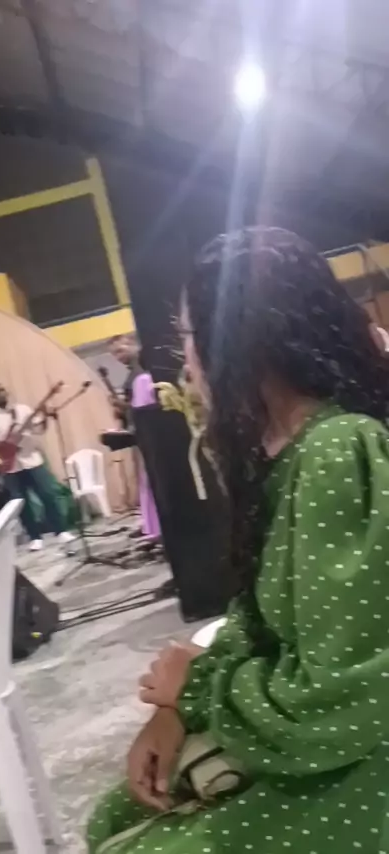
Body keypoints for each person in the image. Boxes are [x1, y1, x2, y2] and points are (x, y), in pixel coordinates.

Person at [88, 227, 389, 854]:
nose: (185, 365)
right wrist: (177, 710)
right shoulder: (288, 455)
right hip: (318, 739)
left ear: (239, 340)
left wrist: (197, 688)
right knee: (114, 815)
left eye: (188, 337)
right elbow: (258, 623)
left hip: (364, 765)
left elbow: (345, 698)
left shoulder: (337, 451)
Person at [0, 383, 74, 551]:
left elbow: (38, 429)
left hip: (32, 460)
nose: (0, 395)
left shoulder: (23, 410)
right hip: (10, 467)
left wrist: (44, 417)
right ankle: (34, 537)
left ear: (7, 393)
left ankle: (61, 531)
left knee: (48, 494)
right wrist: (0, 447)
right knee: (21, 503)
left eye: (2, 391)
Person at [109, 335, 161, 542]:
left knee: (151, 480)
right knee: (145, 480)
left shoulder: (143, 371)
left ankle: (156, 526)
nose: (118, 357)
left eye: (120, 350)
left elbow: (143, 404)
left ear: (132, 344)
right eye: (114, 354)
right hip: (140, 432)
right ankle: (151, 524)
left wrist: (124, 407)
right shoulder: (133, 373)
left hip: (150, 432)